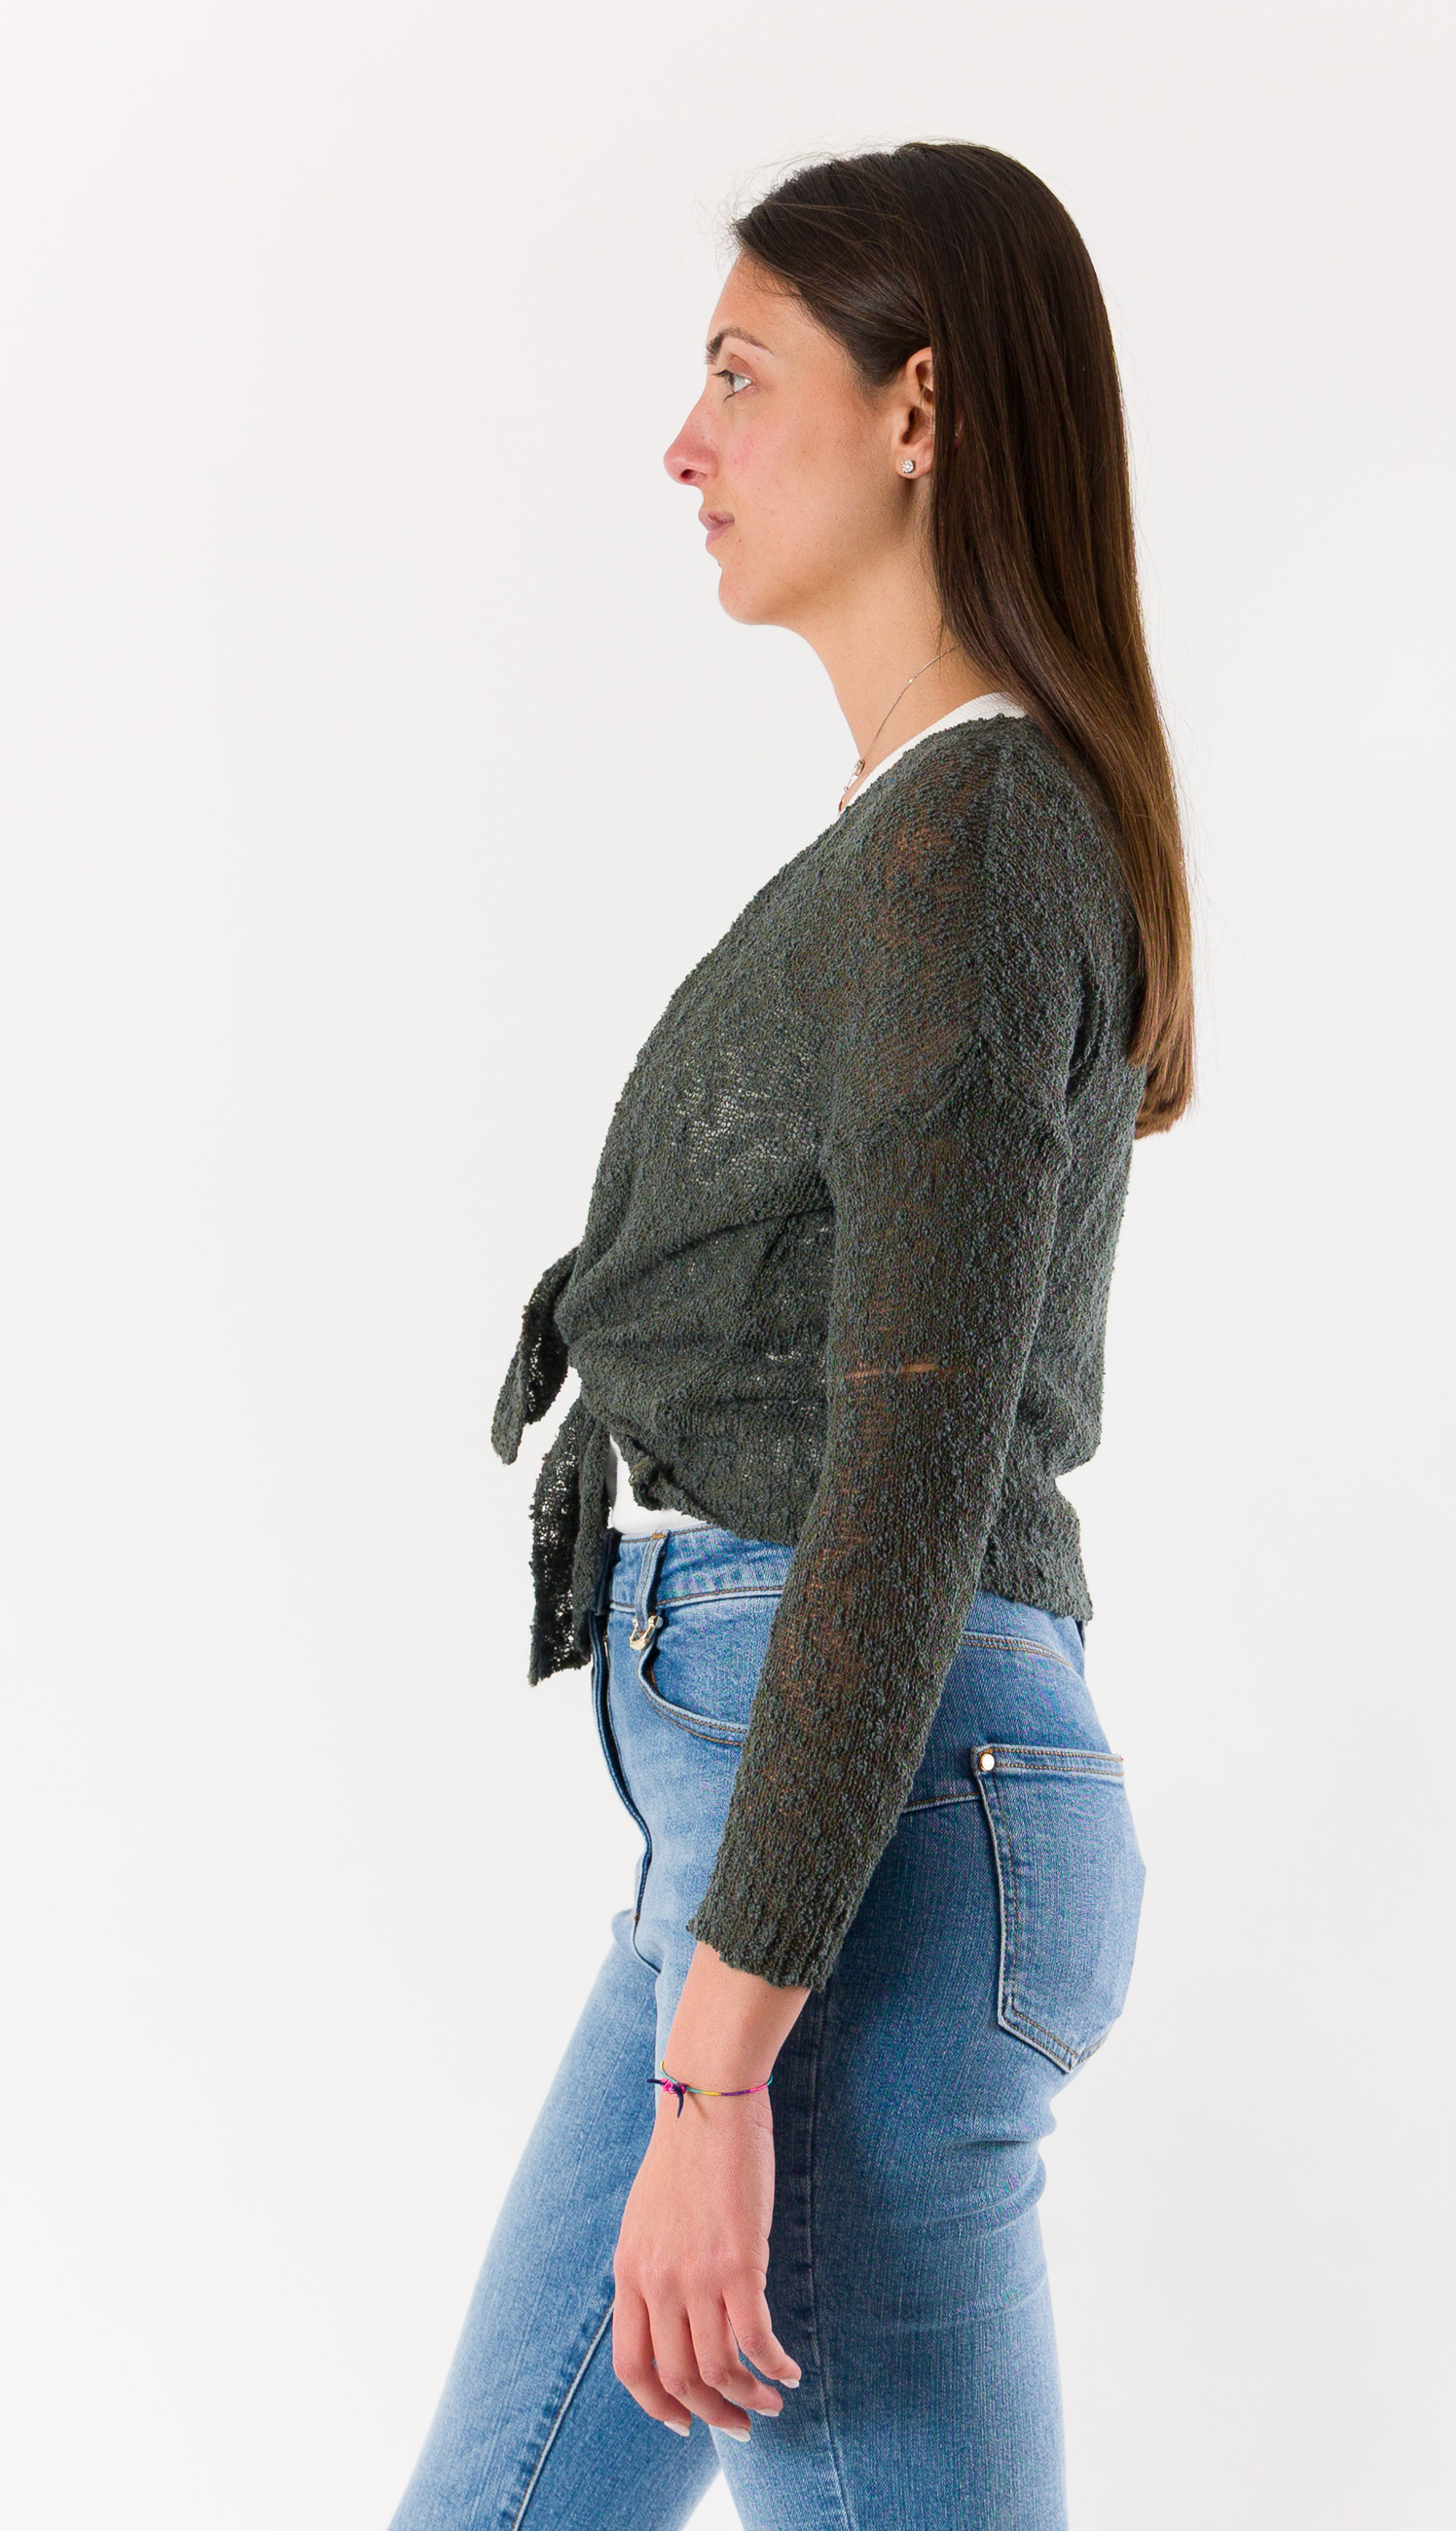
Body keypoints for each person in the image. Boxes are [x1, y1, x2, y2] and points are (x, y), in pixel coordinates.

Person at [387, 139, 1195, 2531]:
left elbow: (911, 1470)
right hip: (818, 1822)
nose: (685, 444)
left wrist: (725, 2067)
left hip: (855, 1827)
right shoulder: (931, 825)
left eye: (742, 376)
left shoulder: (974, 836)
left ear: (915, 410)